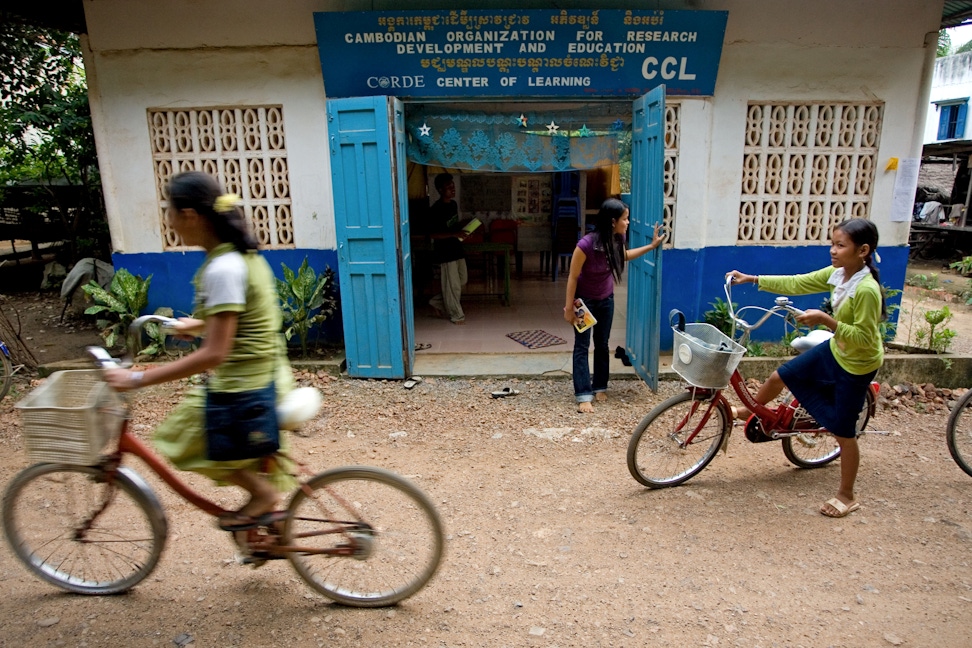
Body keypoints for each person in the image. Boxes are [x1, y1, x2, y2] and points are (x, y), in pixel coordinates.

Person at [104, 171, 296, 550]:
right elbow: (241, 313)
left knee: (183, 440)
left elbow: (215, 354)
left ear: (190, 215)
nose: (169, 222)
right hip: (264, 371)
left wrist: (138, 379)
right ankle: (268, 534)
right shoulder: (238, 255)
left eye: (170, 213)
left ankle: (262, 498)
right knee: (234, 447)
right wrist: (198, 324)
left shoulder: (223, 267)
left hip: (243, 382)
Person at [726, 217, 885, 519]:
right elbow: (800, 282)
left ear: (863, 250)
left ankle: (847, 495)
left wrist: (826, 321)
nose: (833, 251)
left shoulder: (866, 290)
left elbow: (865, 338)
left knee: (843, 430)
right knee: (779, 376)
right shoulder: (839, 274)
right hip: (838, 350)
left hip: (858, 363)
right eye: (832, 244)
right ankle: (751, 409)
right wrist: (753, 279)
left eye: (840, 245)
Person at [564, 198, 664, 413]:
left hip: (606, 300)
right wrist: (568, 307)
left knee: (602, 344)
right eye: (625, 219)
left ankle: (600, 386)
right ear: (612, 221)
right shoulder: (586, 245)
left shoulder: (618, 238)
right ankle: (583, 394)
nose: (627, 223)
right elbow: (572, 277)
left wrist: (651, 246)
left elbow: (623, 256)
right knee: (582, 346)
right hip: (584, 302)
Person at [426, 172, 469, 325]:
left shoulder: (453, 205)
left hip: (457, 248)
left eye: (453, 185)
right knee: (454, 287)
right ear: (439, 189)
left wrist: (463, 229)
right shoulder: (435, 209)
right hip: (445, 253)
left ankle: (436, 302)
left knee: (462, 280)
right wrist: (453, 233)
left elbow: (453, 226)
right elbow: (434, 234)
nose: (452, 188)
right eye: (448, 186)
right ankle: (457, 315)